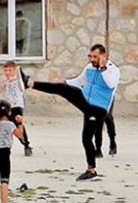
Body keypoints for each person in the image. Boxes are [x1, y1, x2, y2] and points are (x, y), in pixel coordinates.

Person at [27, 44, 120, 182]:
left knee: (87, 137)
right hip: (85, 102)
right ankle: (30, 83)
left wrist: (102, 68)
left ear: (103, 56)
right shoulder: (89, 68)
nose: (92, 59)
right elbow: (78, 81)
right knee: (62, 88)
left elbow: (111, 84)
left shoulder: (113, 70)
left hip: (98, 108)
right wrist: (64, 81)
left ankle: (92, 169)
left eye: (95, 57)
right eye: (90, 56)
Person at [0, 61, 31, 156]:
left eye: (10, 70)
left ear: (14, 71)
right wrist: (2, 82)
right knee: (7, 125)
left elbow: (22, 85)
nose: (7, 72)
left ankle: (26, 144)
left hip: (17, 105)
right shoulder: (4, 82)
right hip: (7, 107)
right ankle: (4, 145)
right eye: (5, 70)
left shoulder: (18, 81)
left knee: (18, 123)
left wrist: (15, 77)